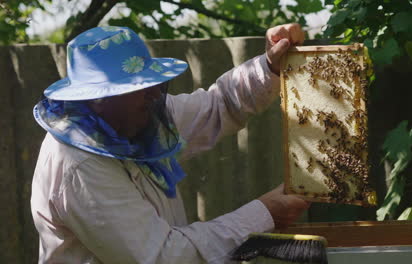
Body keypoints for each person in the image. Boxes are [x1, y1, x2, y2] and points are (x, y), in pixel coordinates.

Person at [31, 23, 309, 264]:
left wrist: (270, 66)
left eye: (151, 81)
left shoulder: (137, 116)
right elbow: (163, 256)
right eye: (137, 86)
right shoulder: (80, 165)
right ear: (96, 98)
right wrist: (264, 213)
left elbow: (219, 105)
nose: (153, 93)